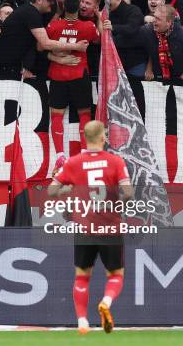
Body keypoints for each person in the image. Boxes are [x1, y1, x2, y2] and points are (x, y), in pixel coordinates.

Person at [47, 120, 133, 334]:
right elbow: (129, 192)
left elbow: (51, 191)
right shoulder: (115, 161)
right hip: (110, 228)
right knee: (115, 274)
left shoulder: (73, 163)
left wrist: (66, 191)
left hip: (84, 228)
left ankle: (82, 322)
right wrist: (117, 205)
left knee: (82, 276)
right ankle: (106, 301)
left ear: (85, 138)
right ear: (104, 138)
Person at [0, 0, 89, 80]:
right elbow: (45, 43)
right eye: (49, 0)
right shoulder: (31, 13)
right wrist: (76, 46)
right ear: (39, 0)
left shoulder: (31, 11)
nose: (52, 3)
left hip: (8, 64)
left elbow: (37, 46)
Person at [46, 0, 99, 173]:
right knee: (84, 114)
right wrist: (99, 17)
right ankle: (85, 153)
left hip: (57, 76)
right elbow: (99, 38)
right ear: (78, 8)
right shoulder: (87, 27)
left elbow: (41, 46)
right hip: (79, 75)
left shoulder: (53, 26)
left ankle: (60, 155)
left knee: (56, 116)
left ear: (62, 8)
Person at [140, 5, 183, 84]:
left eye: (158, 19)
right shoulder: (148, 31)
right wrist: (149, 68)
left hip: (180, 78)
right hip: (158, 76)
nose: (154, 21)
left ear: (168, 22)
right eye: (154, 17)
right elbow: (151, 51)